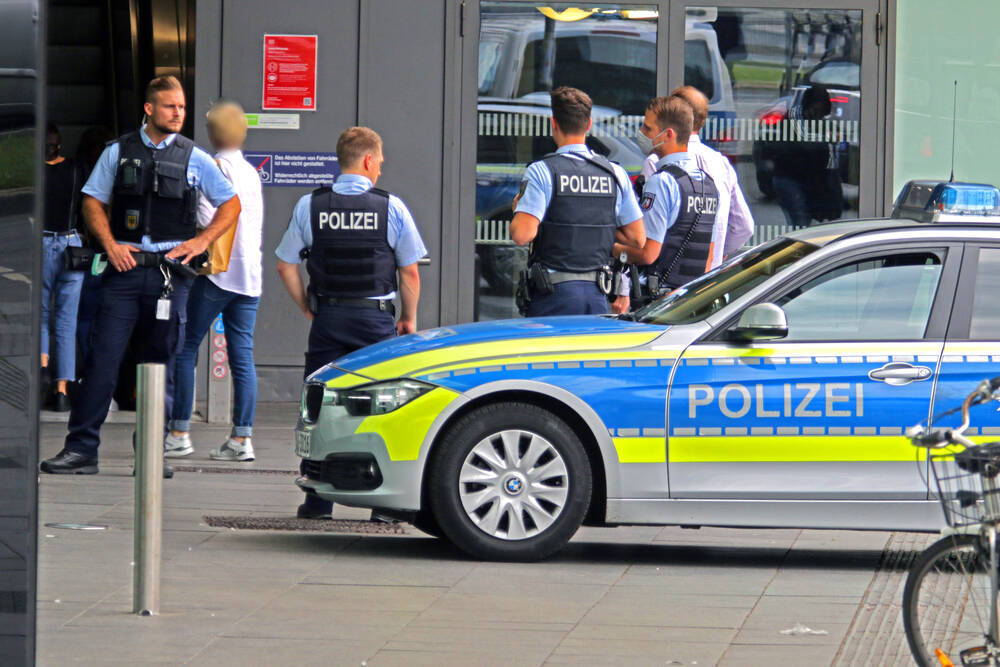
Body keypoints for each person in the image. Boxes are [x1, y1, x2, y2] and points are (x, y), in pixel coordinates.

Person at [40, 75, 241, 475]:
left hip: (169, 275)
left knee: (159, 365)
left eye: (182, 107)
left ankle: (150, 455)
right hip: (123, 270)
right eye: (170, 106)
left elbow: (231, 205)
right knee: (101, 361)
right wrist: (111, 244)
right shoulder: (118, 152)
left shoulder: (195, 157)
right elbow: (92, 202)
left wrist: (201, 242)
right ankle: (81, 450)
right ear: (149, 109)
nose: (179, 113)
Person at [275, 126, 426, 519]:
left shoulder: (310, 205)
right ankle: (383, 507)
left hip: (329, 317)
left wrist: (307, 307)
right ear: (368, 161)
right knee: (383, 407)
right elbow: (409, 273)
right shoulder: (390, 207)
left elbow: (285, 264)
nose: (380, 171)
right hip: (375, 323)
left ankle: (317, 501)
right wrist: (408, 319)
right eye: (379, 164)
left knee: (320, 405)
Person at [166, 100, 264, 462]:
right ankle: (241, 439)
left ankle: (178, 432)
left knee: (186, 346)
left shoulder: (214, 166)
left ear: (212, 132)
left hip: (217, 274)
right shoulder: (252, 173)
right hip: (249, 275)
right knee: (243, 356)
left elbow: (209, 215)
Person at [509, 86, 644, 317]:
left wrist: (518, 210)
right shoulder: (614, 173)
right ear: (589, 124)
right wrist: (592, 227)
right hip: (597, 294)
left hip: (553, 295)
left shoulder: (543, 171)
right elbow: (637, 238)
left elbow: (521, 235)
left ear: (553, 124)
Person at [616, 95, 718, 309]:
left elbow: (648, 254)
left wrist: (614, 249)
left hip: (659, 303)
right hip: (691, 301)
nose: (641, 134)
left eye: (648, 128)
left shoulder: (662, 182)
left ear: (668, 134)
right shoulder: (708, 184)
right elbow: (708, 257)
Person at [639, 86, 754, 269]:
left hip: (666, 280)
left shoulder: (658, 161)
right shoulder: (721, 163)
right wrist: (714, 255)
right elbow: (744, 226)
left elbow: (647, 233)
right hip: (708, 279)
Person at [40, 123, 85, 412]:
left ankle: (43, 372)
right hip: (72, 245)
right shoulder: (77, 169)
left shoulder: (33, 172)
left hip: (42, 243)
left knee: (42, 313)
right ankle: (62, 390)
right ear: (60, 144)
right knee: (67, 321)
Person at [769, 84, 843, 228]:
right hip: (789, 178)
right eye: (816, 105)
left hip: (803, 180)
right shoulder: (794, 119)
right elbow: (803, 146)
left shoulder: (821, 124)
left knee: (802, 224)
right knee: (801, 224)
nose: (818, 110)